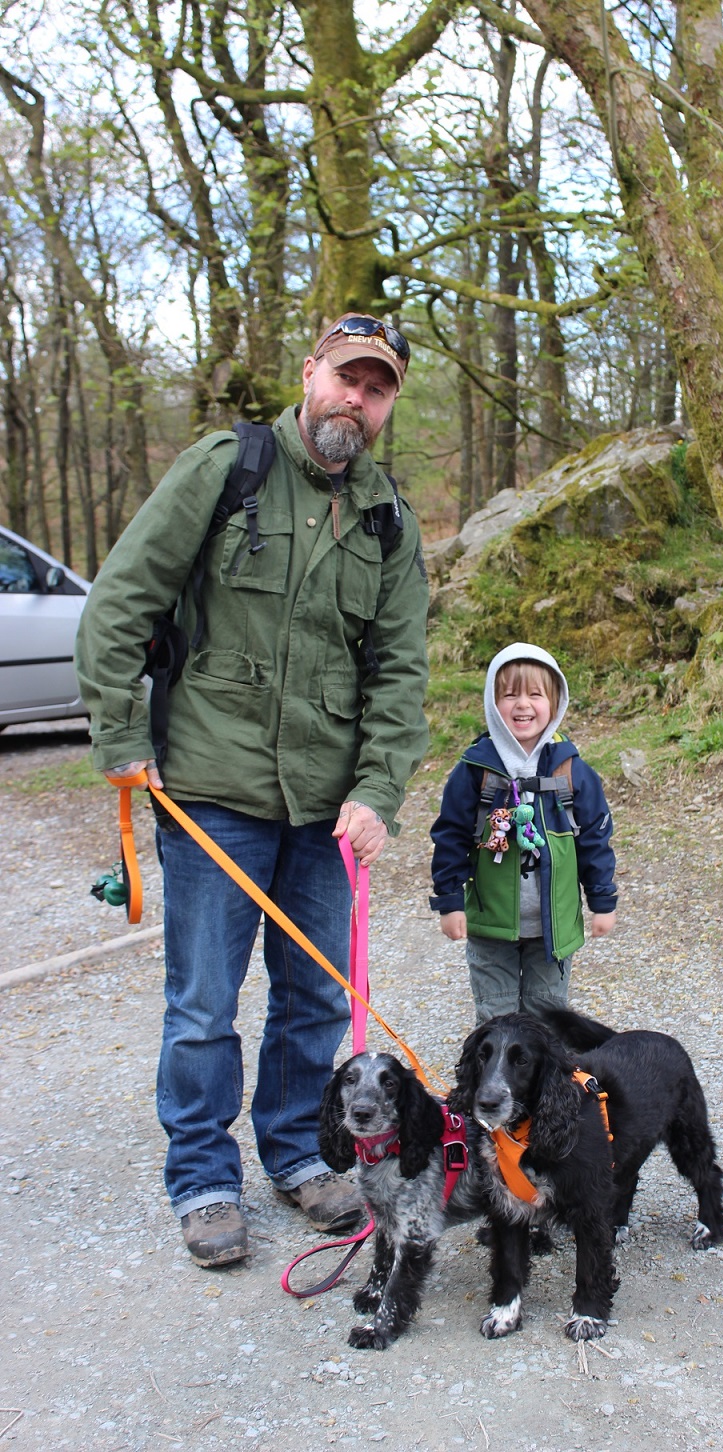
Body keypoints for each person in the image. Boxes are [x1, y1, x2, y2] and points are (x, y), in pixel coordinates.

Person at [75, 315, 430, 1268]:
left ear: (388, 406)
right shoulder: (227, 468)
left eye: (377, 389)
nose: (356, 399)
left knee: (314, 1001)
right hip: (211, 790)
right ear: (310, 372)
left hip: (326, 811)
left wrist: (379, 790)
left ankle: (297, 1156)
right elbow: (121, 601)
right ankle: (202, 1179)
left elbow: (400, 674)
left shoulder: (390, 521)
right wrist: (120, 736)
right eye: (346, 378)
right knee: (203, 1005)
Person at [429, 642, 617, 1023]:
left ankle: (542, 1066)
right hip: (490, 928)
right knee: (496, 1020)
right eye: (510, 695)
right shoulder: (475, 769)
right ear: (492, 701)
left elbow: (595, 840)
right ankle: (493, 1065)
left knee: (547, 1021)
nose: (523, 705)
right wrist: (449, 901)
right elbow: (450, 836)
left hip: (552, 931)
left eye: (535, 694)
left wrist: (602, 901)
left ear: (555, 702)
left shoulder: (571, 770)